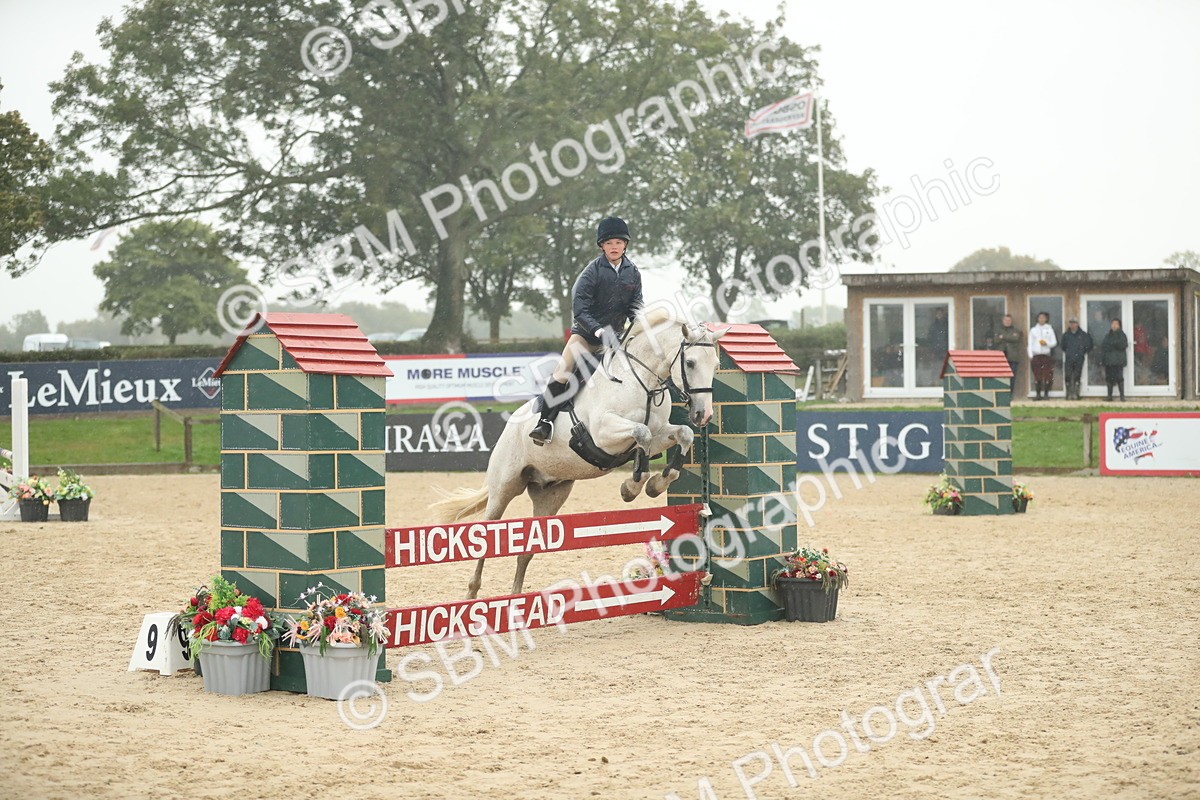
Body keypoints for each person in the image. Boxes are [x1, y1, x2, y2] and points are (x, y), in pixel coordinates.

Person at [529, 216, 643, 445]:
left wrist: (640, 326)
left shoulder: (633, 272)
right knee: (564, 370)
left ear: (625, 245)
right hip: (586, 335)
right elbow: (579, 309)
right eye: (609, 243)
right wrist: (599, 330)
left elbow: (635, 305)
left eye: (619, 243)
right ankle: (544, 423)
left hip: (616, 338)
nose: (614, 247)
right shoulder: (592, 272)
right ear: (602, 245)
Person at [1060, 317, 1092, 400]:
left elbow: (1089, 345)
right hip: (1069, 358)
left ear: (1077, 324)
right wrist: (1069, 352)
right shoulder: (1066, 335)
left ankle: (1076, 394)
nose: (1072, 325)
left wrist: (1081, 352)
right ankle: (1068, 394)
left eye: (1074, 323)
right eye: (1071, 323)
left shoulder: (1083, 335)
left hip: (1079, 358)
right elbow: (1062, 346)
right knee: (1068, 376)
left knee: (1077, 376)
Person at [1027, 311, 1057, 400]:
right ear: (1037, 319)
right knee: (1037, 375)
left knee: (1047, 375)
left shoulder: (1049, 330)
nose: (1041, 319)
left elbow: (1054, 342)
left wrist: (1046, 344)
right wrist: (1031, 355)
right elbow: (1030, 343)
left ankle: (1046, 394)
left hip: (1046, 355)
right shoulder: (1033, 330)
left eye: (1043, 318)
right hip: (1036, 355)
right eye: (1040, 318)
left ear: (1046, 319)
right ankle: (1038, 394)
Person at [1100, 318, 1128, 401]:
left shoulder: (1122, 335)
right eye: (1113, 324)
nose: (1114, 326)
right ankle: (1109, 396)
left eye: (1116, 324)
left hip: (1118, 361)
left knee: (1119, 378)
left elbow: (1122, 345)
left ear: (1119, 326)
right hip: (1109, 361)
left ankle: (1122, 396)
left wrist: (1113, 344)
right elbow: (1104, 345)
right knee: (1109, 378)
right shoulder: (1107, 335)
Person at [994, 314, 1023, 380]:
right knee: (1001, 377)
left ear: (1011, 321)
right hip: (1001, 358)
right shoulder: (998, 330)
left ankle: (1011, 390)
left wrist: (1003, 337)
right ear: (1003, 321)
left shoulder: (1016, 330)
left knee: (1012, 377)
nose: (1007, 321)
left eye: (1009, 320)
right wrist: (1009, 337)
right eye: (1006, 320)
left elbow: (1016, 338)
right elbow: (996, 340)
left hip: (1013, 358)